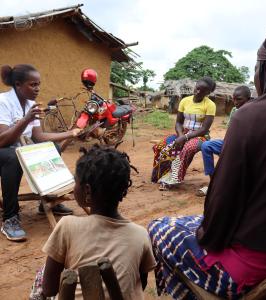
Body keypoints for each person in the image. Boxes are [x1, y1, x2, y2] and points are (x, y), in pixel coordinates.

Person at [148, 25, 266, 299]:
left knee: (160, 227)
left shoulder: (252, 115)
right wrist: (178, 135)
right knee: (169, 147)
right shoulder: (187, 103)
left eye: (257, 66)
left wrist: (208, 237)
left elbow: (223, 201)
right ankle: (164, 175)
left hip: (257, 266)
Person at [30, 145, 156, 300]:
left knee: (41, 276)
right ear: (123, 190)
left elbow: (49, 289)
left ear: (87, 190)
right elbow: (140, 284)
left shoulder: (67, 226)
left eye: (75, 181)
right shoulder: (141, 234)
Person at [0, 64, 81, 242]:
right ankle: (10, 218)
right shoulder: (3, 102)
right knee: (12, 157)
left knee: (53, 148)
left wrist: (72, 132)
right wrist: (26, 119)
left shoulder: (30, 104)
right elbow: (3, 141)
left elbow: (38, 136)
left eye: (38, 84)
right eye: (33, 85)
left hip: (18, 149)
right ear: (18, 84)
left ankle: (48, 198)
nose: (37, 89)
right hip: (4, 152)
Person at [151, 77, 216, 190]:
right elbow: (178, 123)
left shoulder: (210, 105)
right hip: (183, 133)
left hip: (200, 136)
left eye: (202, 90)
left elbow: (204, 129)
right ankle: (160, 175)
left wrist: (185, 138)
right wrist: (181, 136)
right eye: (197, 88)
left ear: (208, 92)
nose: (198, 91)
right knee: (161, 146)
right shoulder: (185, 101)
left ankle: (174, 179)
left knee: (188, 148)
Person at [196, 85, 251, 197]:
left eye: (239, 99)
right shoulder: (235, 110)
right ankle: (213, 182)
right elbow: (230, 131)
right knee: (206, 145)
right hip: (231, 143)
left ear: (248, 99)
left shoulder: (254, 112)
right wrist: (227, 144)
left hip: (246, 147)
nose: (235, 102)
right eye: (234, 99)